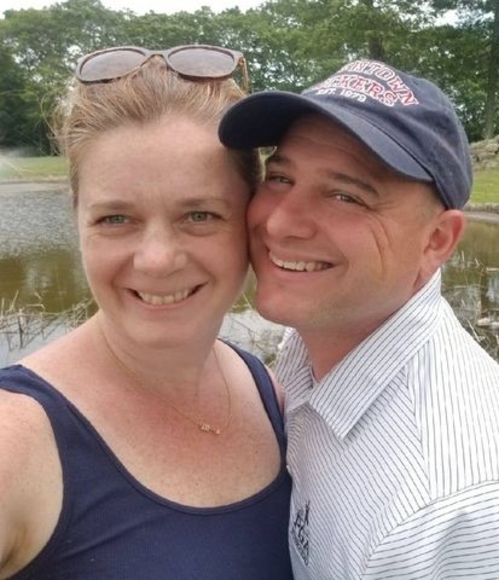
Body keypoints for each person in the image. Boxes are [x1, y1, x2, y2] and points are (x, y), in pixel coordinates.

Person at [218, 59, 499, 579]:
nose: (278, 222)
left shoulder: (474, 516)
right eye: (280, 177)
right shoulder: (323, 335)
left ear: (436, 241)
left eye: (346, 195)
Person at [0, 45, 293, 579]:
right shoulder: (14, 439)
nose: (156, 260)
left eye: (199, 214)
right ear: (77, 220)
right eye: (116, 219)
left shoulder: (267, 390)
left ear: (250, 220)